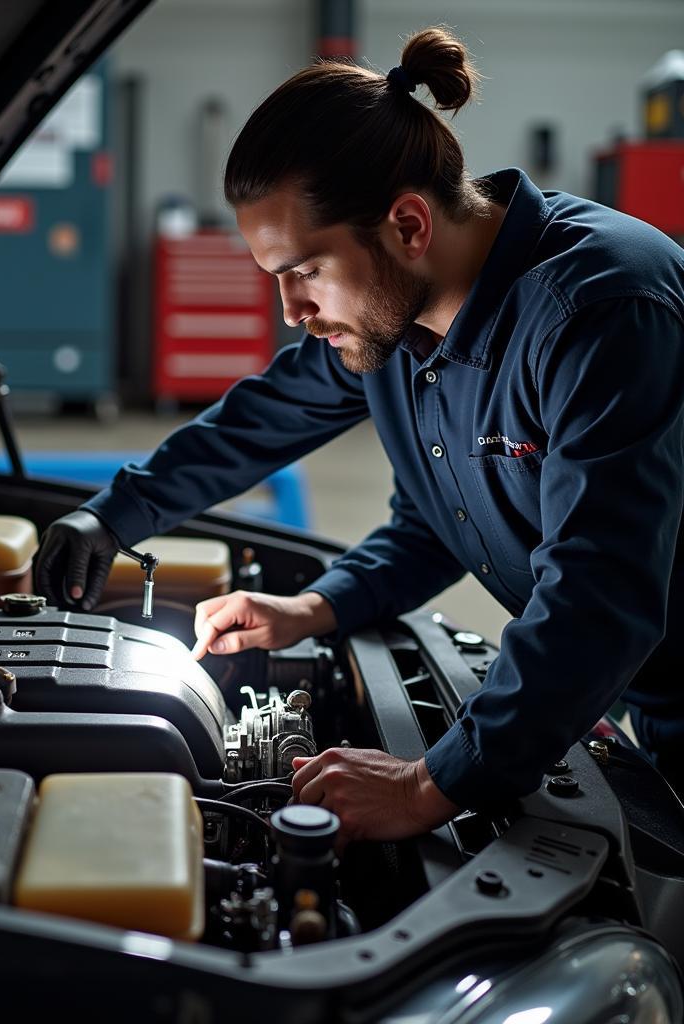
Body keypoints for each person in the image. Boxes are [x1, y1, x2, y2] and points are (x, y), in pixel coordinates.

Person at [34, 27, 684, 843]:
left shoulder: (600, 313)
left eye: (303, 271)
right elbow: (409, 505)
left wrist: (429, 785)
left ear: (409, 225)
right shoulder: (394, 320)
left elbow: (600, 596)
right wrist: (122, 520)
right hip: (642, 691)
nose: (292, 312)